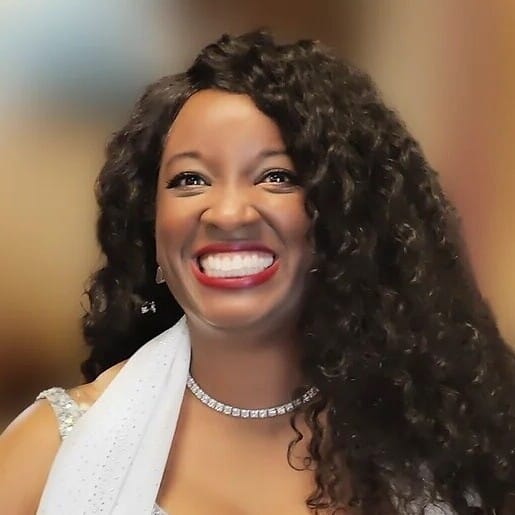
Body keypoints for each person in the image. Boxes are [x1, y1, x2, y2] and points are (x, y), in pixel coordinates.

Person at [0, 29, 514, 515]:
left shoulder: (450, 449)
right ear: (150, 231)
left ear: (345, 222)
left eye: (276, 176)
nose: (227, 214)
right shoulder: (50, 451)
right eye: (189, 179)